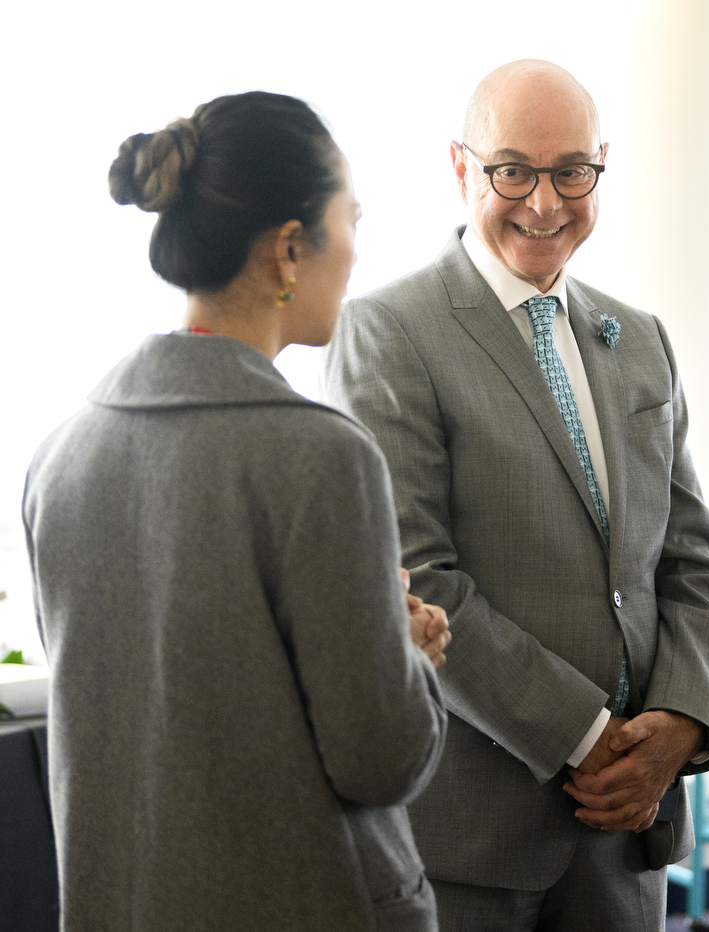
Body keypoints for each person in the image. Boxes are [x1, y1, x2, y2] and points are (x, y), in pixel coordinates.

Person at [24, 92, 451, 932]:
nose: (359, 253)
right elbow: (379, 758)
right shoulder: (323, 458)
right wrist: (410, 656)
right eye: (351, 221)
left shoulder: (60, 456)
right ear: (290, 250)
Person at [322, 60, 709, 931]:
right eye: (513, 170)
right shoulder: (387, 332)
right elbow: (415, 578)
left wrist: (681, 726)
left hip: (629, 842)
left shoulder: (641, 340)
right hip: (470, 845)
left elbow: (691, 561)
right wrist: (594, 742)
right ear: (460, 165)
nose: (545, 203)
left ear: (600, 167)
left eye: (571, 172)